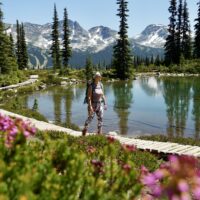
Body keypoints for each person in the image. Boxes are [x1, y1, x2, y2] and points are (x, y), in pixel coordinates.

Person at [82, 72, 107, 136]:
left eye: (100, 76)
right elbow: (89, 97)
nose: (99, 77)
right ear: (95, 77)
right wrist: (90, 106)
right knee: (90, 119)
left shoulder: (101, 85)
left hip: (99, 104)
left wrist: (105, 103)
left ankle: (99, 134)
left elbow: (103, 95)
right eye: (98, 76)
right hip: (93, 105)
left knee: (100, 119)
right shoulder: (91, 86)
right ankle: (84, 131)